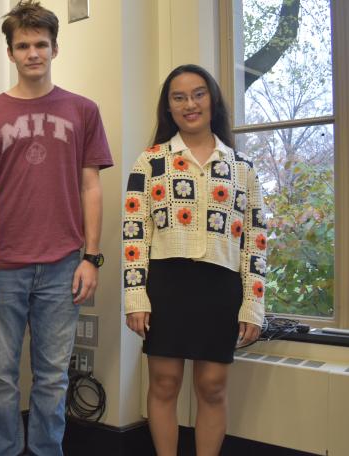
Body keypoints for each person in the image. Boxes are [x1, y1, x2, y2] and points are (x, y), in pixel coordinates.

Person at [0, 2, 113, 454]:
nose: (32, 53)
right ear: (11, 53)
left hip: (62, 265)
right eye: (23, 46)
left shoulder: (83, 110)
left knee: (52, 379)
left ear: (55, 47)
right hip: (3, 265)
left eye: (40, 44)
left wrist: (91, 257)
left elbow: (90, 186)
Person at [123, 64, 267, 456]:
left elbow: (255, 239)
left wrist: (253, 305)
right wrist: (136, 296)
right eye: (179, 97)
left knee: (213, 387)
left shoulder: (242, 168)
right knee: (165, 383)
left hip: (220, 287)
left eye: (198, 94)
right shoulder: (150, 162)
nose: (190, 104)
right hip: (166, 283)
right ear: (168, 108)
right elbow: (135, 232)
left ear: (213, 99)